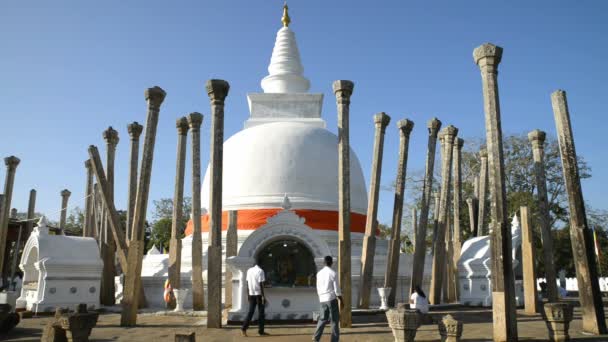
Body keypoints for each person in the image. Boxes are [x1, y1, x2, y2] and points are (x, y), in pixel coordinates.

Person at [313, 256, 343, 342]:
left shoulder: (319, 273)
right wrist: (342, 300)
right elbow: (337, 290)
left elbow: (318, 287)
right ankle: (334, 340)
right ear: (331, 263)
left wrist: (320, 297)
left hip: (322, 299)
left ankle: (316, 338)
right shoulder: (333, 273)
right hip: (331, 299)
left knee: (322, 319)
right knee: (334, 321)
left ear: (324, 263)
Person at [241, 262, 269, 337]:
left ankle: (244, 328)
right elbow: (261, 284)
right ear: (261, 265)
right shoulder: (260, 271)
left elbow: (247, 283)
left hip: (251, 294)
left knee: (250, 312)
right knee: (261, 313)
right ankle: (261, 331)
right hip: (259, 295)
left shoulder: (249, 270)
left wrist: (248, 295)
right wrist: (263, 296)